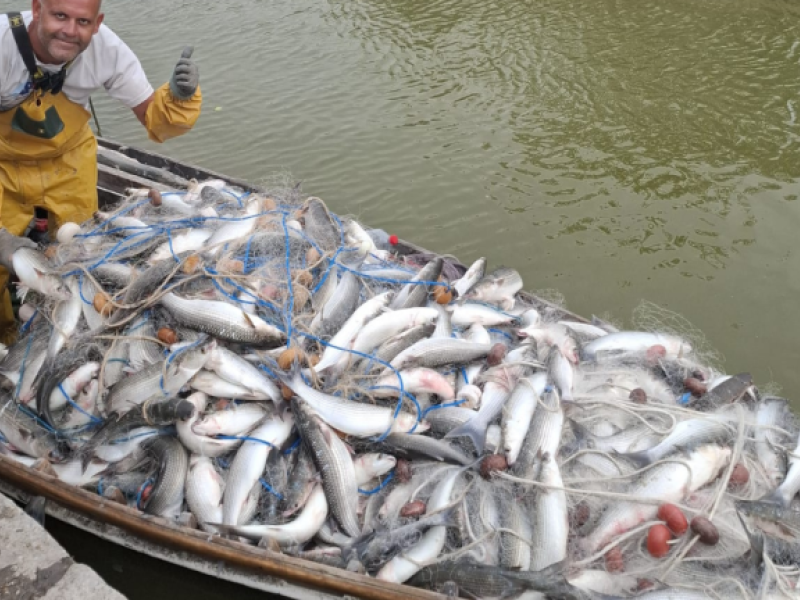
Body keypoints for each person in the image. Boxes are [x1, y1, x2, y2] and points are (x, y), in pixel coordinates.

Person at [0, 0, 201, 343]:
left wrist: (180, 98)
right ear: (37, 9)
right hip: (3, 162)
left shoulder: (107, 49)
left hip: (68, 162)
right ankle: (8, 336)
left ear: (97, 23)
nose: (70, 31)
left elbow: (154, 118)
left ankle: (72, 335)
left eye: (83, 21)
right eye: (60, 16)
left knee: (84, 254)